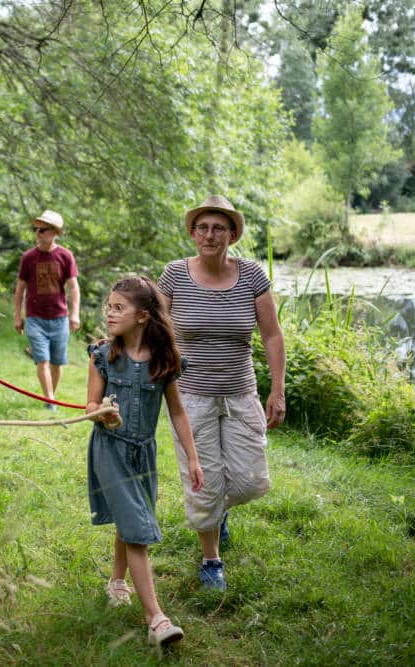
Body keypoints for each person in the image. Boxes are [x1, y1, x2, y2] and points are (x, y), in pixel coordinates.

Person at [157, 194, 287, 592]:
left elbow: (272, 335)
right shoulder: (174, 275)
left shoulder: (251, 275)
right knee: (203, 480)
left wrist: (277, 390)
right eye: (202, 228)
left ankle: (219, 511)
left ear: (232, 234)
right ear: (193, 233)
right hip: (190, 396)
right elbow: (155, 330)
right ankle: (211, 560)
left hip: (240, 393)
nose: (210, 235)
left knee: (250, 481)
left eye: (218, 228)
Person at [86, 276, 203, 648]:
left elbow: (179, 413)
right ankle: (157, 619)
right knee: (137, 527)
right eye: (108, 306)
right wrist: (102, 413)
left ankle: (117, 581)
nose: (109, 313)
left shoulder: (165, 361)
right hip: (110, 450)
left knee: (130, 518)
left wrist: (193, 457)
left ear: (143, 316)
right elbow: (90, 406)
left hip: (143, 454)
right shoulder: (103, 356)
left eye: (118, 307)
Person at [13, 210, 81, 410]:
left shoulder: (65, 256)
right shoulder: (28, 258)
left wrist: (75, 314)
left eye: (43, 229)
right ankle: (50, 401)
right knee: (42, 360)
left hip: (60, 318)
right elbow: (20, 289)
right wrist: (18, 315)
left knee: (57, 363)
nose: (38, 233)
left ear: (55, 232)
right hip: (35, 318)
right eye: (36, 229)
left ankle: (50, 398)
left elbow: (74, 287)